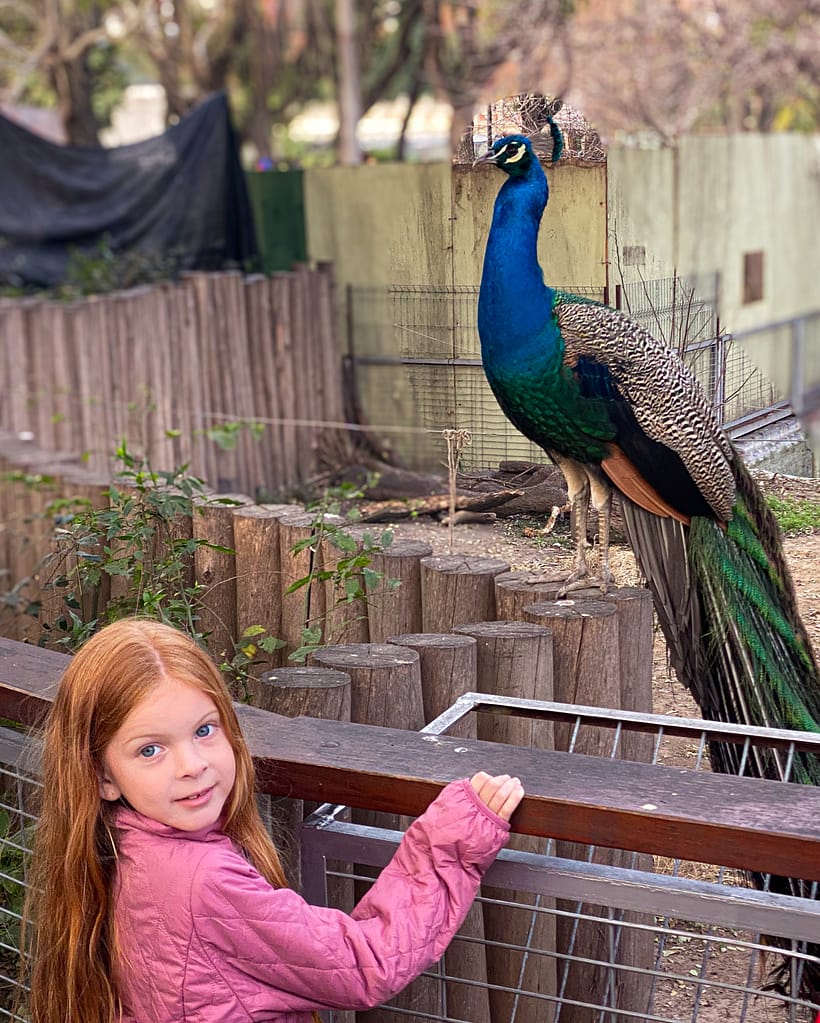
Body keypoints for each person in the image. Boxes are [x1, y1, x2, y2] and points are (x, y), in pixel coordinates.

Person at [22, 618, 524, 1023]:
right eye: (150, 749)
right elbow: (364, 965)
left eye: (203, 730)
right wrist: (451, 841)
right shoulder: (205, 881)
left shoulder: (122, 846)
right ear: (103, 776)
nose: (192, 764)